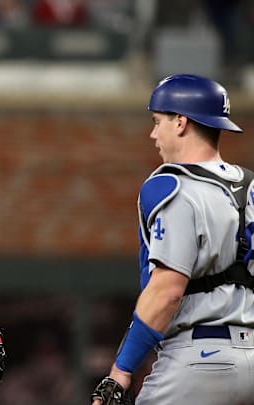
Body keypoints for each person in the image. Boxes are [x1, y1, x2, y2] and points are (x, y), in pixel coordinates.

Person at [91, 74, 254, 405]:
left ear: (181, 122)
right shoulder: (252, 186)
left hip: (199, 360)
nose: (153, 134)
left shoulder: (171, 186)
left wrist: (120, 372)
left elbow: (167, 291)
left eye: (157, 121)